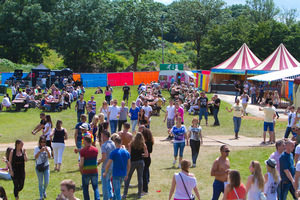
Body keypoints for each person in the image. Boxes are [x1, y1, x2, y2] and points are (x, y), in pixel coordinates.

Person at [123, 133, 148, 198]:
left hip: (132, 162)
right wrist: (141, 155)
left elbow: (129, 154)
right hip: (140, 162)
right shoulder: (143, 145)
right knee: (140, 178)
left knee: (128, 177)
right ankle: (139, 194)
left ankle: (125, 194)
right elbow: (146, 155)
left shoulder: (131, 144)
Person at [79, 135, 100, 200]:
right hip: (94, 171)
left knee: (85, 188)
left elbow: (82, 163)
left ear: (85, 141)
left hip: (86, 171)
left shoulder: (83, 150)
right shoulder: (95, 149)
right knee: (95, 187)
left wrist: (80, 165)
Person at [97, 131, 116, 200]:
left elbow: (104, 157)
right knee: (109, 181)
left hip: (105, 167)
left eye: (102, 136)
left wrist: (99, 161)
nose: (101, 138)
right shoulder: (113, 144)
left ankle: (106, 198)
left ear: (104, 137)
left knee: (104, 183)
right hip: (112, 166)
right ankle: (110, 195)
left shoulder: (104, 145)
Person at [139, 125, 154, 195]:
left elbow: (148, 152)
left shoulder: (146, 142)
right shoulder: (150, 141)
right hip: (147, 159)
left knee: (144, 175)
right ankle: (142, 189)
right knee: (143, 175)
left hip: (146, 159)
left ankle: (145, 190)